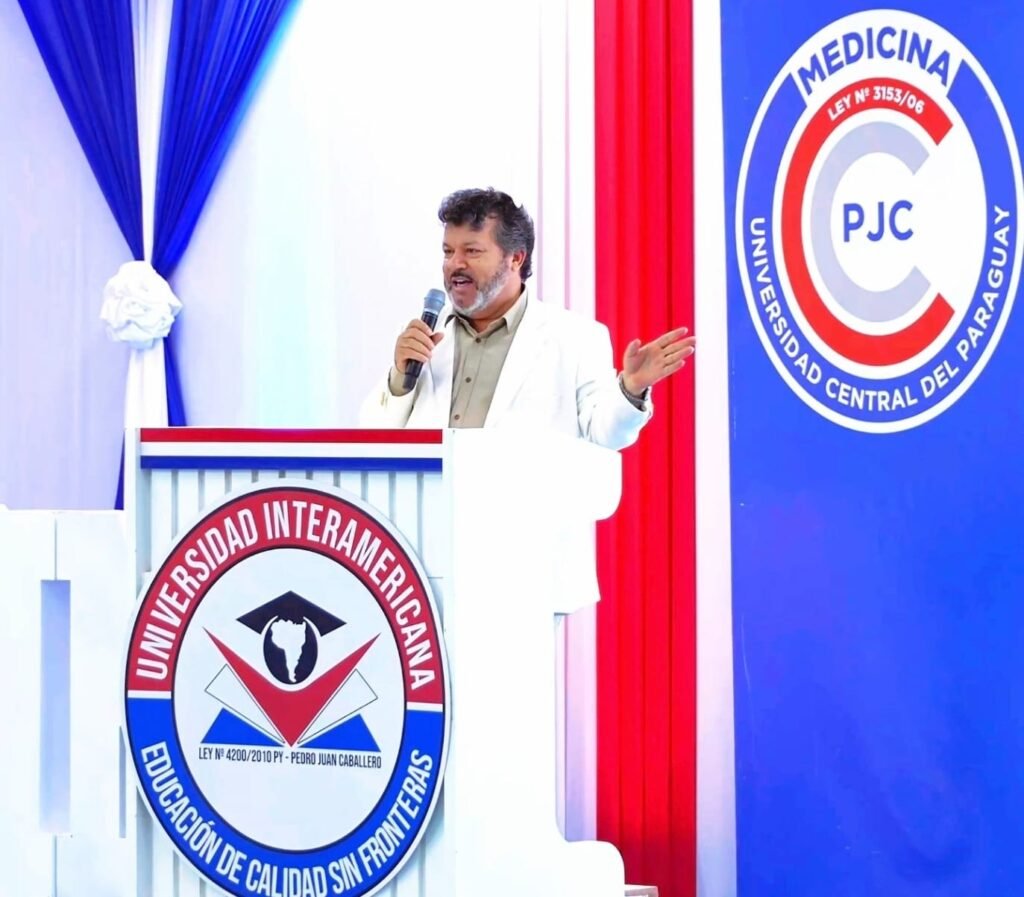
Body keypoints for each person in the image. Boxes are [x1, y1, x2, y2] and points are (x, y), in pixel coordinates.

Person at [359, 188, 695, 449]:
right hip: (426, 514)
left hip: (523, 515)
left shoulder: (576, 338)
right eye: (448, 251)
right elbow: (372, 440)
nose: (454, 264)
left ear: (515, 258)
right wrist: (399, 378)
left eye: (472, 251)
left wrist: (631, 389)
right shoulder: (423, 337)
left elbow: (605, 434)